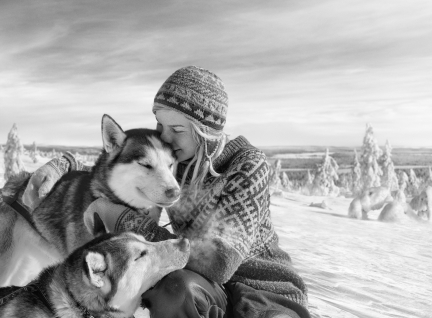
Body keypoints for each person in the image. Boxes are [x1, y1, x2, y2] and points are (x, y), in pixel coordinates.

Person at [23, 66, 310, 318]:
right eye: (160, 124)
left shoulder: (246, 165)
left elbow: (219, 263)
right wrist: (62, 164)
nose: (164, 137)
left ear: (205, 133)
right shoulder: (176, 160)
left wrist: (124, 220)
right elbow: (113, 162)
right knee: (175, 290)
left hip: (261, 287)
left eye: (176, 128)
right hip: (197, 287)